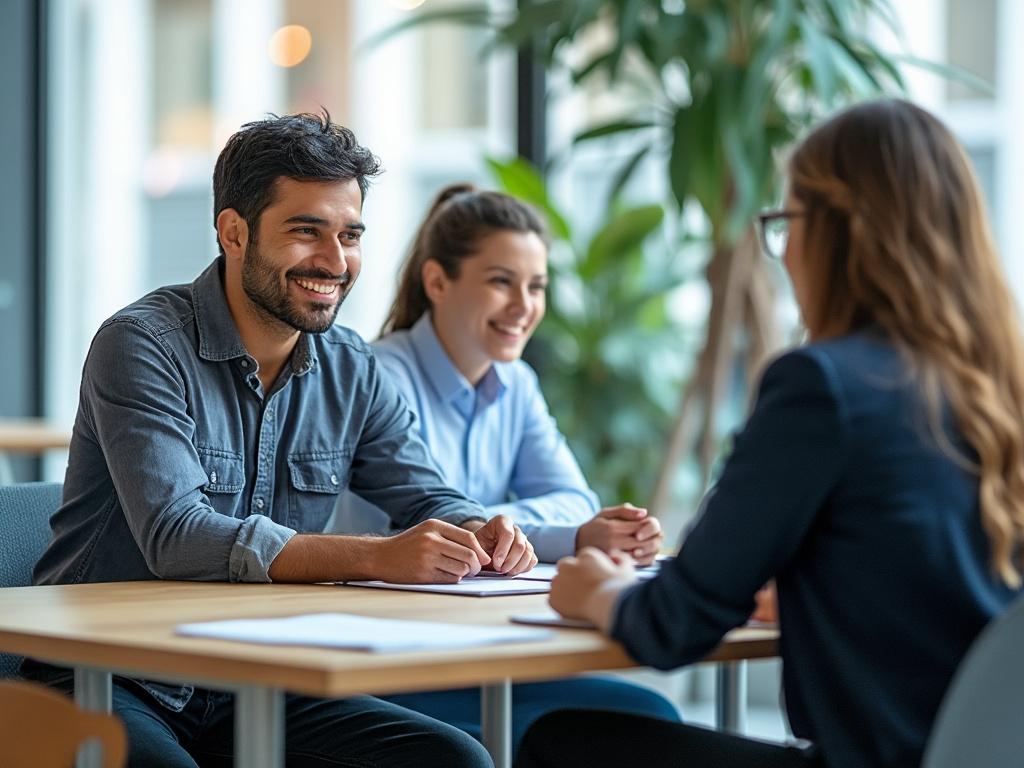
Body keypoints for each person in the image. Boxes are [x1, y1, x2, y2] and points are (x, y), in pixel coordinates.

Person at [516, 98, 1024, 768]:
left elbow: (675, 625)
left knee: (565, 739)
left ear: (837, 233)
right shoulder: (998, 385)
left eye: (788, 223)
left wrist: (599, 589)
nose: (784, 256)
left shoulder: (823, 386)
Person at [23, 112, 542, 768]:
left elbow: (422, 492)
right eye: (306, 232)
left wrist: (478, 529)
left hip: (252, 674)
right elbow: (178, 536)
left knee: (453, 758)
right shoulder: (142, 344)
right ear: (233, 232)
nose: (334, 261)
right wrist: (377, 557)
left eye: (350, 235)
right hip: (108, 675)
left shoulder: (352, 368)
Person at [333, 184, 680, 753]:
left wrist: (501, 530)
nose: (524, 306)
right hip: (392, 659)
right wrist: (526, 533)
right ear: (438, 282)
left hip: (485, 648)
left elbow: (573, 500)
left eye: (536, 286)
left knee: (651, 716)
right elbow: (406, 536)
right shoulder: (376, 378)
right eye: (501, 282)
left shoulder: (516, 383)